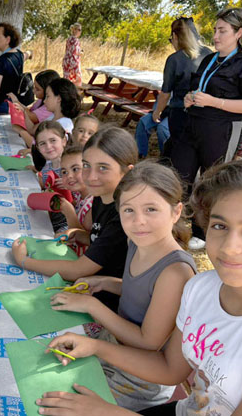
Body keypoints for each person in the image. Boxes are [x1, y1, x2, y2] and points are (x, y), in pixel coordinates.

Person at [37, 158, 242, 416]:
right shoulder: (202, 288)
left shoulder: (180, 275)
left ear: (176, 212)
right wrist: (95, 346)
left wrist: (106, 412)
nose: (229, 247)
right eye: (220, 226)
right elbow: (170, 369)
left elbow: (150, 345)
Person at [51, 161, 196, 410]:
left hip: (139, 379)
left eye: (151, 209)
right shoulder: (136, 242)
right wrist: (105, 282)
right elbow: (139, 292)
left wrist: (92, 305)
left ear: (176, 212)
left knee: (62, 403)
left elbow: (148, 342)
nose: (138, 221)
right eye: (128, 210)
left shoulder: (175, 272)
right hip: (113, 344)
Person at [12, 127, 138, 311]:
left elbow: (79, 270)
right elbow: (103, 241)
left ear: (126, 172)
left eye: (103, 168)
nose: (91, 176)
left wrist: (25, 262)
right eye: (86, 165)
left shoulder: (123, 216)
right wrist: (81, 235)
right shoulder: (100, 197)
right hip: (90, 290)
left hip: (108, 305)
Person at [172, 8, 242, 250]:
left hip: (223, 129)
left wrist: (214, 102)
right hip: (193, 125)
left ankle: (203, 233)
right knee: (180, 175)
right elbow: (198, 88)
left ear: (239, 33)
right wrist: (189, 99)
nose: (215, 35)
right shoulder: (209, 59)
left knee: (212, 180)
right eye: (215, 30)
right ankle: (177, 225)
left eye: (222, 30)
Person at [155, 17, 212, 158]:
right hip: (206, 112)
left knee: (179, 150)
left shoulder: (174, 59)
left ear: (175, 36)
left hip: (180, 113)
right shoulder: (210, 54)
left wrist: (157, 112)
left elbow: (165, 93)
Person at [58, 145, 93, 256]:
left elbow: (83, 239)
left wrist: (69, 212)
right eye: (64, 172)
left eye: (75, 169)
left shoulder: (93, 205)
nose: (69, 176)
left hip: (79, 260)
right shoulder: (79, 195)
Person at [8, 69, 61, 140]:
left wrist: (17, 102)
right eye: (34, 87)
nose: (33, 91)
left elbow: (31, 117)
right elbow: (29, 111)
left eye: (37, 89)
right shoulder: (41, 101)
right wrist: (17, 102)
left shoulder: (48, 109)